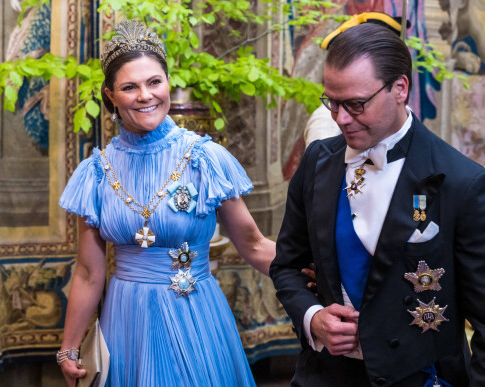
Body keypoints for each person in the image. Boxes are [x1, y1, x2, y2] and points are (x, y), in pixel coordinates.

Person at [57, 19, 275, 387]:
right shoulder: (95, 172)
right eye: (130, 87)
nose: (145, 95)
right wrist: (69, 348)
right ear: (110, 95)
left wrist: (317, 272)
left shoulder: (205, 158)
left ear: (168, 83)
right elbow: (89, 273)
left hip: (194, 315)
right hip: (125, 321)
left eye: (154, 82)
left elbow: (253, 245)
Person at [270, 21, 485, 386]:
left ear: (400, 88)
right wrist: (312, 318)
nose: (340, 118)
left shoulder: (461, 182)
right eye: (332, 102)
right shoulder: (317, 161)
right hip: (325, 376)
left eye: (355, 104)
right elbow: (287, 265)